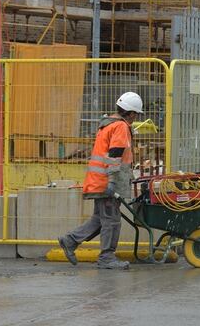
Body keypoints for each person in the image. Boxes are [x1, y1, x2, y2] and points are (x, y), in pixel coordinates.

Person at [58, 91, 142, 270]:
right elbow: (115, 154)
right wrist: (112, 182)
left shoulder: (108, 124)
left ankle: (70, 241)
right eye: (136, 115)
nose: (135, 118)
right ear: (132, 113)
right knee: (112, 220)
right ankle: (106, 257)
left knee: (100, 218)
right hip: (106, 182)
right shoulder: (120, 126)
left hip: (98, 180)